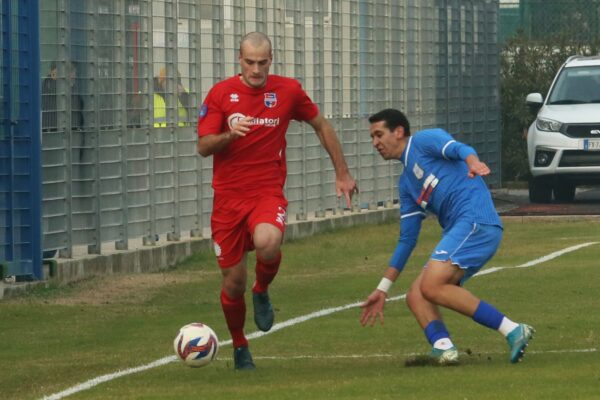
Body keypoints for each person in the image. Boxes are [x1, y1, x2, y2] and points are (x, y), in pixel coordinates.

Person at [197, 32, 358, 370]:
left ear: (271, 59)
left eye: (263, 62)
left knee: (268, 241)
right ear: (239, 60)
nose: (256, 69)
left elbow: (320, 124)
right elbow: (203, 146)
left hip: (266, 192)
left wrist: (342, 172)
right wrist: (230, 135)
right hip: (227, 202)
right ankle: (240, 344)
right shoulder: (221, 94)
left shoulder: (287, 91)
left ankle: (262, 289)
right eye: (250, 62)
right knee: (232, 282)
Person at [359, 108, 534, 365]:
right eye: (372, 137)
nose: (375, 143)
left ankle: (512, 329)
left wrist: (473, 162)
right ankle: (444, 348)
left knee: (430, 285)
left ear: (398, 132)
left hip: (476, 221)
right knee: (416, 294)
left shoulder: (423, 141)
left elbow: (460, 149)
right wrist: (382, 289)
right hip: (461, 230)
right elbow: (407, 240)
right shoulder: (406, 183)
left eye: (378, 134)